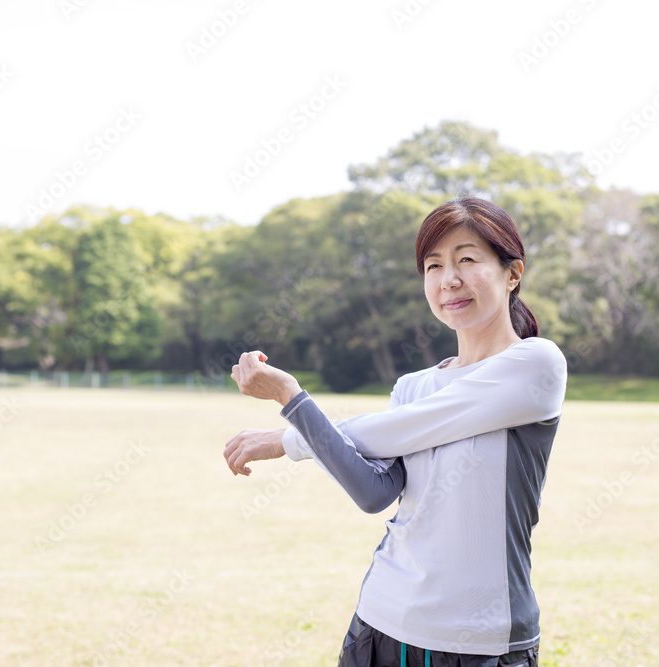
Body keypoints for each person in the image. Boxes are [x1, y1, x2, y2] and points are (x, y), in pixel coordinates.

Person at [223, 197, 567, 667]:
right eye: (433, 265)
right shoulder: (413, 386)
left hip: (482, 641)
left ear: (513, 273)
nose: (449, 279)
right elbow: (372, 492)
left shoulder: (536, 364)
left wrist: (289, 431)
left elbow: (397, 430)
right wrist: (292, 401)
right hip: (380, 624)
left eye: (467, 259)